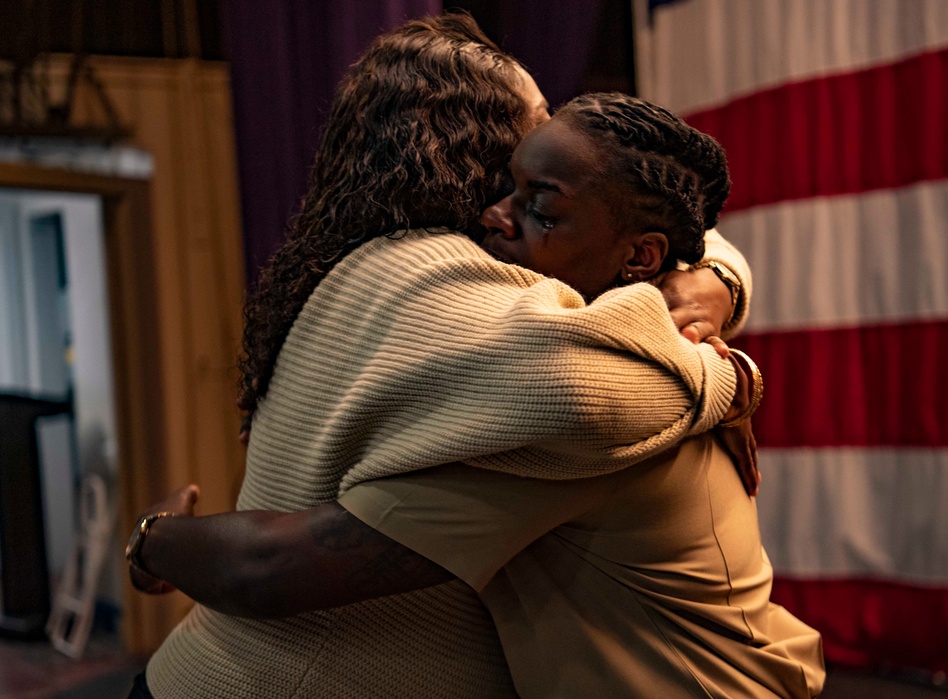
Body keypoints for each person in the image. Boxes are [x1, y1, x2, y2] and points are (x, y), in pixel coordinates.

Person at [125, 15, 778, 699]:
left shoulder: (345, 264)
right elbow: (600, 380)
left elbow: (680, 237)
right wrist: (731, 377)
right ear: (491, 155)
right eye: (538, 127)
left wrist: (717, 278)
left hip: (198, 669)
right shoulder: (482, 298)